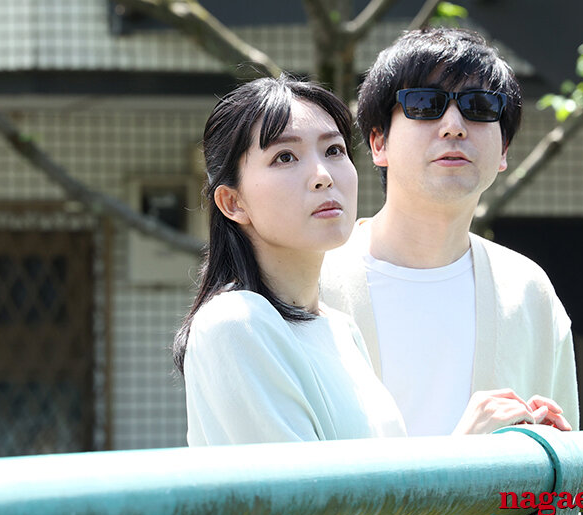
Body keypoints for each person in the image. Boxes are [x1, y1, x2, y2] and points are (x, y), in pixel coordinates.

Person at [321, 28, 580, 515]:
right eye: (424, 104)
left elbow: (564, 479)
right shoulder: (314, 283)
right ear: (378, 143)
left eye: (480, 107)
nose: (454, 125)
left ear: (503, 151)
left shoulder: (527, 290)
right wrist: (453, 488)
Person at [173, 76, 407, 447]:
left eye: (334, 150)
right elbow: (308, 485)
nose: (323, 176)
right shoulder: (235, 322)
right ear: (233, 202)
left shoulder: (340, 327)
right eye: (285, 157)